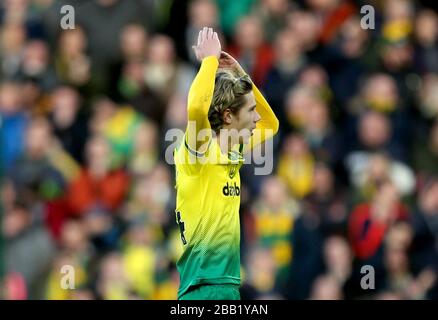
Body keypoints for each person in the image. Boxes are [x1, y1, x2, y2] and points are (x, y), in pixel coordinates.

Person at [173, 27, 279, 300]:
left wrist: (241, 75)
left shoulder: (234, 151)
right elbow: (197, 108)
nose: (257, 118)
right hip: (204, 286)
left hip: (225, 285)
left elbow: (272, 124)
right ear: (229, 116)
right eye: (251, 110)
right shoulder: (198, 153)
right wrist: (209, 61)